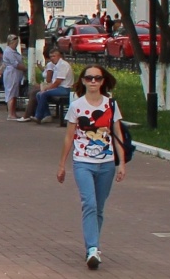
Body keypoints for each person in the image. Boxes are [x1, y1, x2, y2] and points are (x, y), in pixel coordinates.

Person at [57, 65, 127, 270]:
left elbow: (118, 135)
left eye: (97, 78)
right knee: (89, 203)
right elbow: (69, 136)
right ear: (84, 81)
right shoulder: (76, 106)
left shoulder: (111, 105)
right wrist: (62, 165)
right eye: (89, 78)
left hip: (106, 164)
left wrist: (121, 163)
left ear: (103, 81)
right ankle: (93, 249)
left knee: (99, 207)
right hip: (83, 162)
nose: (93, 82)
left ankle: (93, 244)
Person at [26, 49, 73, 124]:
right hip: (58, 88)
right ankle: (47, 115)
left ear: (59, 56)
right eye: (51, 56)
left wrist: (46, 89)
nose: (52, 58)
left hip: (64, 89)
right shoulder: (56, 65)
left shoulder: (63, 65)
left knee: (43, 93)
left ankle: (38, 116)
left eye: (54, 56)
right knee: (38, 94)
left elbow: (57, 82)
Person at [1, 35, 27, 120]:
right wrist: (25, 68)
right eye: (15, 42)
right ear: (11, 42)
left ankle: (13, 113)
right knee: (11, 93)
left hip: (15, 74)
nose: (16, 44)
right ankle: (10, 114)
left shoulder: (13, 51)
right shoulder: (8, 51)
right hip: (11, 73)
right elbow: (15, 64)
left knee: (14, 93)